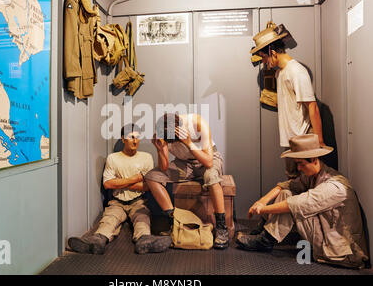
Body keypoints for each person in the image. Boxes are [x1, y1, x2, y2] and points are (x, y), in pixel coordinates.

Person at [236, 134, 369, 269]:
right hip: (327, 236)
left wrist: (260, 210)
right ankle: (263, 232)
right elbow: (287, 185)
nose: (298, 168)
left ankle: (265, 240)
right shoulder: (317, 174)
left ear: (314, 160)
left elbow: (296, 204)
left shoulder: (334, 187)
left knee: (291, 203)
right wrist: (262, 201)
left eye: (301, 164)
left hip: (342, 253)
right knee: (286, 193)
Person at [68, 124, 172, 255]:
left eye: (138, 137)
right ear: (123, 139)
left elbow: (147, 186)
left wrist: (120, 181)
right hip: (117, 201)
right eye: (131, 137)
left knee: (142, 219)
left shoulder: (146, 157)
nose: (135, 141)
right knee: (109, 219)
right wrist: (136, 178)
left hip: (139, 200)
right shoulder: (113, 158)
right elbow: (108, 184)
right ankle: (97, 241)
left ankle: (144, 241)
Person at [250, 22, 325, 179]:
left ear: (272, 52)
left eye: (264, 57)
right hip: (292, 141)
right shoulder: (281, 73)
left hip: (303, 139)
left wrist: (319, 142)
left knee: (307, 183)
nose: (264, 62)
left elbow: (312, 106)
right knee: (293, 181)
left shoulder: (296, 71)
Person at [144, 113, 229, 249]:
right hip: (184, 163)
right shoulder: (163, 131)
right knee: (151, 176)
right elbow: (164, 167)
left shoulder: (197, 122)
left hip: (207, 158)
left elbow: (208, 162)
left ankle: (221, 227)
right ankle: (174, 220)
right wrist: (159, 150)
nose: (175, 144)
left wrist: (189, 142)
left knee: (211, 176)